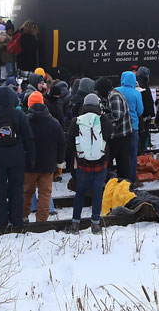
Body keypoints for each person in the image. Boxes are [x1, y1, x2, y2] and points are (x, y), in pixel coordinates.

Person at [0, 86, 36, 232]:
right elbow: (29, 138)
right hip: (17, 158)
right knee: (17, 190)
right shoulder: (19, 115)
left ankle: (2, 222)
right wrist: (31, 157)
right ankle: (17, 221)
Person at [66, 93, 111, 234]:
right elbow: (110, 134)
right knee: (97, 192)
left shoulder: (76, 120)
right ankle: (95, 224)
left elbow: (69, 140)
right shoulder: (102, 119)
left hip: (83, 164)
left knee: (80, 193)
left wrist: (79, 155)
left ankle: (75, 224)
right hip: (100, 164)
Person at [23, 92, 65, 223]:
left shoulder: (24, 122)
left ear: (29, 104)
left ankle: (23, 217)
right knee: (45, 194)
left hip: (28, 165)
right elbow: (62, 144)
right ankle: (41, 222)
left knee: (26, 193)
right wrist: (59, 165)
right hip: (48, 165)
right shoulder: (54, 122)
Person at [98, 77, 136, 183]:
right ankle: (123, 184)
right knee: (122, 162)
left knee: (118, 162)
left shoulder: (114, 96)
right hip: (120, 134)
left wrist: (103, 118)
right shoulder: (112, 95)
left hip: (120, 135)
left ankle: (120, 185)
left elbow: (117, 115)